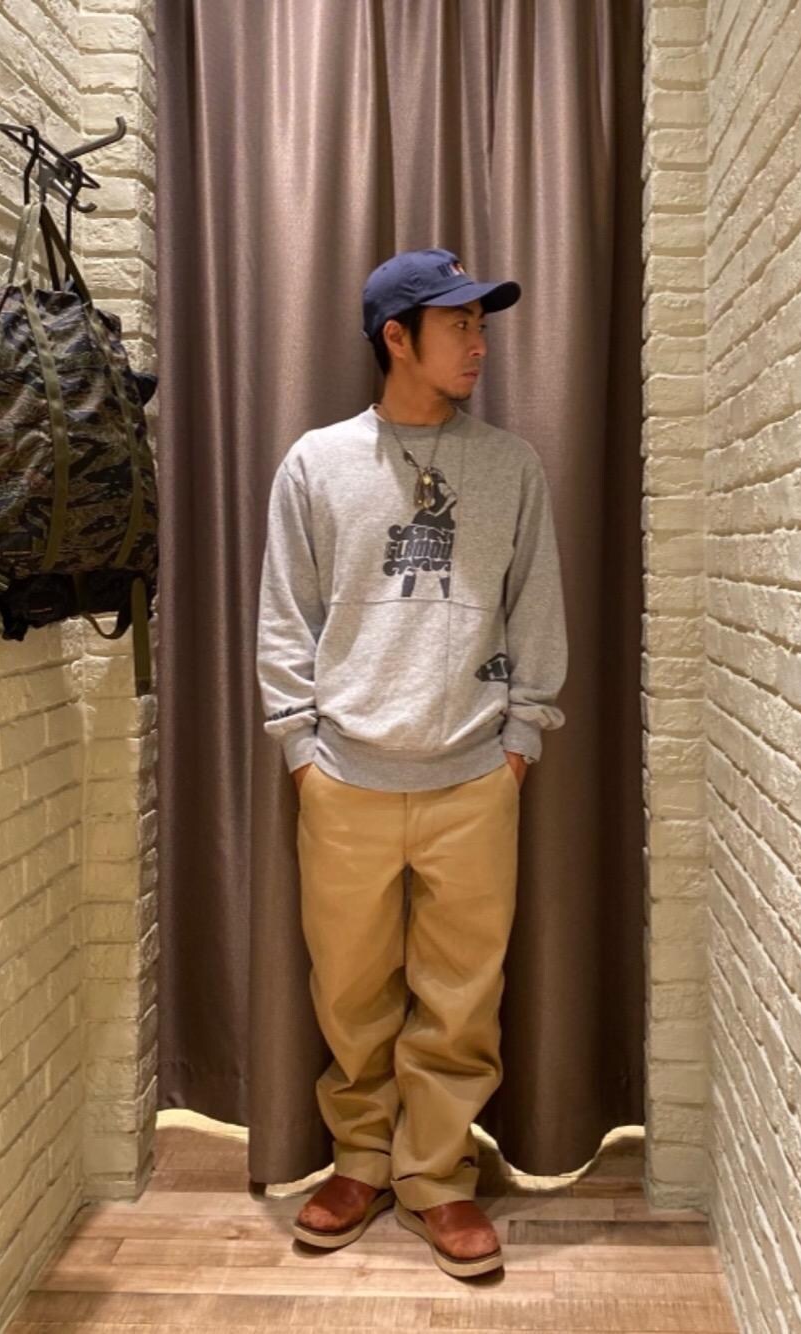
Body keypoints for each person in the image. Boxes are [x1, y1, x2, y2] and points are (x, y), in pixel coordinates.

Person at [255, 247, 568, 1279]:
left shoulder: (511, 465)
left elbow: (536, 609)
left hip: (473, 776)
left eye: (482, 325)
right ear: (397, 337)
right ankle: (358, 1159)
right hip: (343, 776)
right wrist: (302, 748)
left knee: (461, 996)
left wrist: (518, 742)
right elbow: (284, 617)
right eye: (458, 325)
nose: (479, 345)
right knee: (350, 991)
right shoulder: (316, 464)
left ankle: (435, 1174)